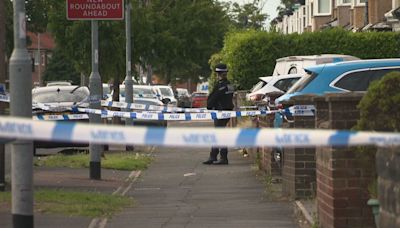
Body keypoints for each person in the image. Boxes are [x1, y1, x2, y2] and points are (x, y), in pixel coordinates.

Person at [203, 63, 235, 165]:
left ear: (218, 74)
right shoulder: (229, 85)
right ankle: (213, 156)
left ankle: (223, 157)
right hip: (227, 111)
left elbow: (213, 98)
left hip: (220, 112)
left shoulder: (220, 86)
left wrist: (209, 106)